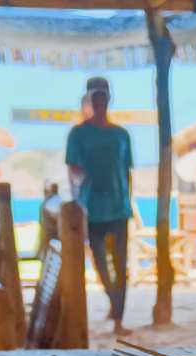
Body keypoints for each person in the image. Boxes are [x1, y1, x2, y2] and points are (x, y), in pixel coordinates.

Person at [66, 76, 134, 329]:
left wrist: (129, 201)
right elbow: (73, 169)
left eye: (103, 96)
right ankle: (113, 301)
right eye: (95, 97)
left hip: (118, 206)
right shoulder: (78, 134)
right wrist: (76, 199)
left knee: (120, 262)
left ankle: (118, 315)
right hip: (92, 207)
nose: (100, 101)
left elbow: (127, 171)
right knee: (99, 261)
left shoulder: (121, 135)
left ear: (109, 99)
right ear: (89, 100)